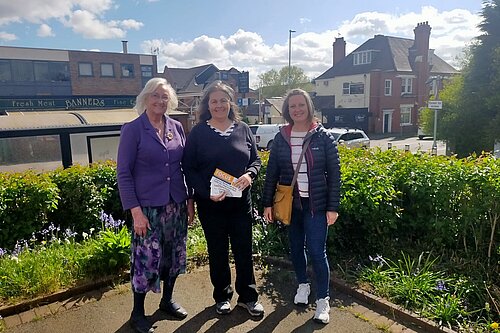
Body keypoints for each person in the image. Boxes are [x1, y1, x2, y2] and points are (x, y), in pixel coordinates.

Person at [117, 78, 194, 333]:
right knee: (145, 260)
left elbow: (183, 167)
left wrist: (189, 201)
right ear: (145, 98)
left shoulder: (176, 127)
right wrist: (135, 212)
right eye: (155, 96)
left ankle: (167, 300)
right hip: (147, 210)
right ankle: (137, 313)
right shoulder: (133, 129)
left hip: (176, 204)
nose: (160, 101)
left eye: (164, 97)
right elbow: (124, 174)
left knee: (172, 256)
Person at [182, 80, 264, 317]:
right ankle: (222, 297)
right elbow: (188, 167)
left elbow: (256, 160)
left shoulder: (242, 128)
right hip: (211, 205)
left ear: (231, 103)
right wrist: (204, 192)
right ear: (207, 104)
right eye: (214, 101)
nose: (218, 105)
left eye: (223, 100)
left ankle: (248, 297)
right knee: (217, 252)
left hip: (240, 204)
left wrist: (250, 175)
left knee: (243, 251)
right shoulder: (198, 132)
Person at [262, 88, 341, 324]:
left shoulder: (323, 136)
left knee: (317, 252)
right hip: (291, 205)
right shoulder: (281, 137)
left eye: (301, 105)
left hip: (316, 205)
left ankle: (323, 300)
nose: (297, 109)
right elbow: (271, 173)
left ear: (309, 107)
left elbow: (335, 175)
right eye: (292, 106)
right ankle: (303, 285)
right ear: (287, 110)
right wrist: (267, 203)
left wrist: (333, 207)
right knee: (295, 248)